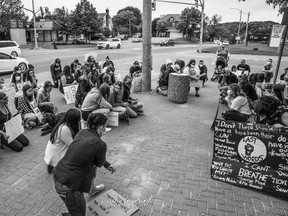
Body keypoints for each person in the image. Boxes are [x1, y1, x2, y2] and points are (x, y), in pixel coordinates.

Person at [53, 113, 115, 216]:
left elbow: (87, 153)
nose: (105, 128)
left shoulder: (82, 132)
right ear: (101, 127)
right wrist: (104, 163)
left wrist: (107, 165)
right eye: (105, 126)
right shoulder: (100, 144)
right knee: (79, 213)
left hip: (58, 176)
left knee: (74, 208)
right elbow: (98, 163)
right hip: (69, 186)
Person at [44, 108, 81, 174]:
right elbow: (74, 146)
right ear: (74, 120)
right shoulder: (64, 129)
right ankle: (55, 167)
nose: (80, 121)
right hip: (55, 157)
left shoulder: (64, 124)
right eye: (79, 119)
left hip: (53, 152)